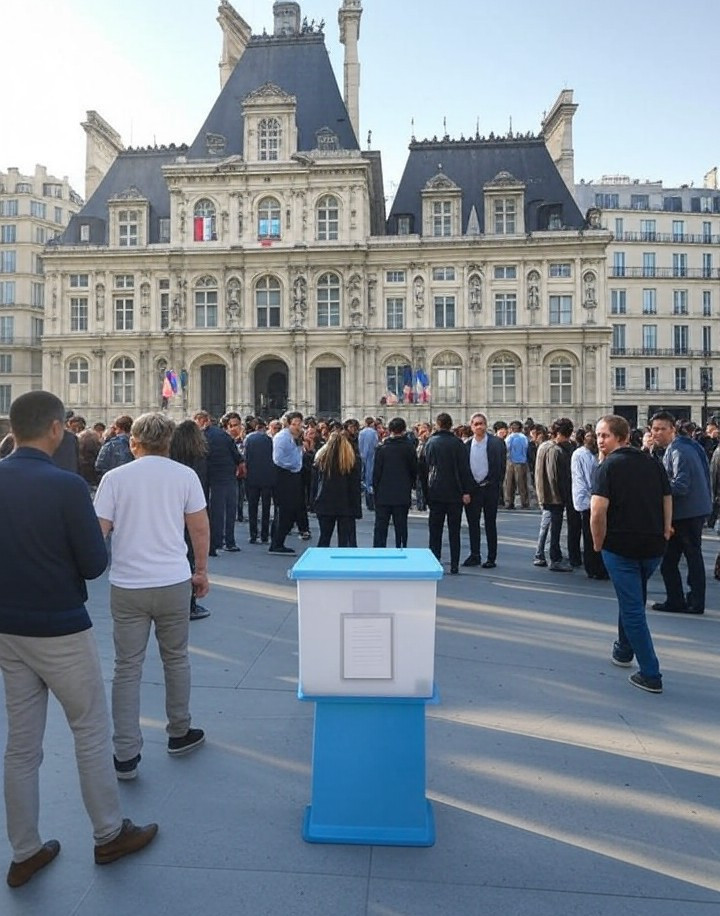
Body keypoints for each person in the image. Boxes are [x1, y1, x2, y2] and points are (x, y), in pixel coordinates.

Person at [0, 391, 157, 888]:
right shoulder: (66, 486)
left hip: (8, 628)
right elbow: (94, 565)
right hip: (60, 626)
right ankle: (109, 833)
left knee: (21, 744)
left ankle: (25, 850)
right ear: (53, 428)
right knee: (89, 730)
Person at [94, 413, 210, 780]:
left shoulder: (114, 478)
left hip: (128, 584)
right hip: (173, 580)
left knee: (126, 668)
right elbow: (200, 527)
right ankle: (179, 730)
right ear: (169, 442)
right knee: (175, 659)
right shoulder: (184, 476)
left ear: (134, 442)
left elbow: (100, 532)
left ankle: (125, 752)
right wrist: (201, 571)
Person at [591, 415, 672, 693]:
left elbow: (597, 511)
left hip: (620, 546)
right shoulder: (652, 462)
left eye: (605, 436)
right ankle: (624, 650)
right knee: (633, 597)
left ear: (622, 438)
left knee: (633, 608)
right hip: (652, 546)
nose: (600, 440)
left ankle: (651, 674)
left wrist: (597, 542)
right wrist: (665, 529)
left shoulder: (607, 467)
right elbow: (666, 496)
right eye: (599, 435)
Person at [650, 411, 713, 614]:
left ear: (672, 430)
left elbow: (681, 486)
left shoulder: (677, 451)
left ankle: (689, 601)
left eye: (662, 429)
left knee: (679, 559)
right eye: (654, 429)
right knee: (680, 559)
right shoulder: (688, 445)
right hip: (694, 510)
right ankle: (683, 600)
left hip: (685, 513)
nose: (657, 433)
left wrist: (657, 486)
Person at [418, 412, 474, 574]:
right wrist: (466, 491)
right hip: (455, 492)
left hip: (435, 490)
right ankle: (454, 563)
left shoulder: (430, 443)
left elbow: (423, 468)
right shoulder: (458, 444)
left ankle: (434, 560)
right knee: (454, 530)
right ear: (450, 425)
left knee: (435, 529)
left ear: (437, 425)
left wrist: (425, 492)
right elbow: (464, 469)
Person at [170, 420, 212, 621]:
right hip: (194, 508)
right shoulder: (200, 456)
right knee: (191, 555)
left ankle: (178, 601)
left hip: (174, 508)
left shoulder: (172, 454)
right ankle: (190, 604)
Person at [462, 412, 507, 568]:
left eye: (481, 423)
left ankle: (491, 557)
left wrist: (494, 484)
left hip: (490, 488)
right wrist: (465, 491)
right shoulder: (466, 445)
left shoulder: (496, 443)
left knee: (490, 523)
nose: (479, 426)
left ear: (486, 425)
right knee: (473, 524)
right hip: (472, 490)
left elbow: (501, 467)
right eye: (476, 424)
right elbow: (463, 470)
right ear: (471, 426)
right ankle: (475, 555)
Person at [194, 410, 240, 555]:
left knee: (213, 511)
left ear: (202, 421)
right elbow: (236, 455)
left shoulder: (200, 436)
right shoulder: (222, 435)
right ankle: (229, 541)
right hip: (226, 476)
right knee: (228, 510)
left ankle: (215, 542)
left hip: (207, 476)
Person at [534, 417, 574, 572]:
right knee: (554, 529)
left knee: (546, 525)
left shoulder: (544, 446)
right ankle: (555, 558)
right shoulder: (556, 451)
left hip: (545, 493)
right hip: (554, 495)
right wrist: (565, 497)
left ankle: (539, 554)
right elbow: (556, 477)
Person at [372, 417, 418, 548]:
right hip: (402, 494)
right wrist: (410, 485)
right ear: (404, 430)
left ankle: (379, 553)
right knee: (401, 526)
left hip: (383, 494)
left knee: (381, 527)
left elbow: (376, 474)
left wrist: (376, 491)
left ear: (390, 430)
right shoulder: (409, 448)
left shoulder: (382, 448)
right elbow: (414, 470)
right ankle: (401, 549)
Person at [312, 429, 362, 546]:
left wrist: (313, 503)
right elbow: (355, 488)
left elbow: (314, 484)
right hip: (345, 504)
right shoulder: (351, 462)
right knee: (344, 540)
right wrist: (356, 509)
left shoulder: (322, 460)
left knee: (324, 537)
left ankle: (320, 561)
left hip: (325, 503)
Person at [571, 428, 607, 579]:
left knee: (589, 533)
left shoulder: (587, 454)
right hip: (587, 499)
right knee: (589, 534)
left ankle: (592, 566)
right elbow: (590, 478)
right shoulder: (583, 455)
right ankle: (593, 567)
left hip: (586, 497)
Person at [269, 410, 304, 555]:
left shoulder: (294, 437)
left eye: (299, 423)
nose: (298, 426)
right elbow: (278, 459)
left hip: (292, 475)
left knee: (288, 510)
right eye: (295, 424)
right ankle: (277, 543)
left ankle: (278, 541)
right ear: (288, 424)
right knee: (284, 510)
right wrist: (293, 466)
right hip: (284, 476)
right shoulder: (282, 437)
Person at [244, 417, 276, 544]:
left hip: (252, 477)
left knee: (252, 507)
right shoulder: (270, 440)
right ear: (264, 427)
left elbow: (245, 457)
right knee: (266, 507)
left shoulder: (249, 439)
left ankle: (253, 534)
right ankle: (264, 535)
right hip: (267, 478)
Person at [503, 420, 530, 509]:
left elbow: (506, 448)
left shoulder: (509, 437)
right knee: (522, 484)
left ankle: (509, 502)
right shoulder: (524, 438)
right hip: (522, 462)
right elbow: (526, 448)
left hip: (510, 461)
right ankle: (524, 503)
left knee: (509, 484)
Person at [358, 416, 379, 510]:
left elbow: (360, 445)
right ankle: (372, 502)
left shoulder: (361, 433)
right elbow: (376, 445)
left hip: (363, 457)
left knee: (365, 480)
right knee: (371, 480)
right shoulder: (374, 433)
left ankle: (368, 502)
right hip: (372, 457)